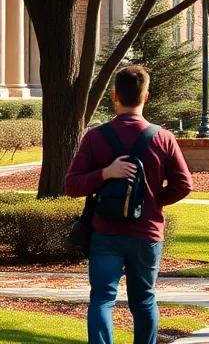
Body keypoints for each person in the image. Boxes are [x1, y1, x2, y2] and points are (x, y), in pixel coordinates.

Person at [66, 66, 193, 344]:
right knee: (144, 301)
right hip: (147, 234)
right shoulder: (163, 138)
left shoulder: (95, 137)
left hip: (105, 233)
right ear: (146, 97)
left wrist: (105, 173)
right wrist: (154, 200)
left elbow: (71, 185)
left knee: (101, 299)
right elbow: (184, 184)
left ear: (114, 95)